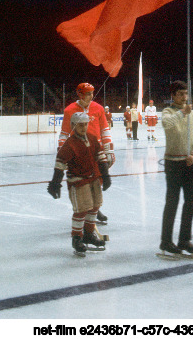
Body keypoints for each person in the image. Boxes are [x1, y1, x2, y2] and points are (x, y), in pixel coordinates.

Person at [47, 112, 111, 256]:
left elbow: (101, 157)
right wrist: (55, 183)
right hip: (78, 181)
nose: (83, 127)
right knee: (81, 210)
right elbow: (60, 163)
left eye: (85, 124)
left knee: (95, 206)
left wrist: (106, 176)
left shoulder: (93, 139)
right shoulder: (70, 144)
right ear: (74, 126)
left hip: (93, 179)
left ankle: (88, 234)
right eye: (80, 125)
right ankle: (77, 238)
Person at [159, 80, 193, 259]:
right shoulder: (168, 112)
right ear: (173, 96)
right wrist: (181, 113)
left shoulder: (192, 115)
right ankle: (166, 240)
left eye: (186, 94)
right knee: (172, 202)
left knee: (190, 203)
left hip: (189, 163)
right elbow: (167, 125)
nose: (184, 97)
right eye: (180, 94)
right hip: (173, 163)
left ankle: (184, 239)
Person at [59, 83, 114, 225]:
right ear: (80, 95)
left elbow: (105, 130)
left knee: (97, 180)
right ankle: (85, 209)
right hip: (78, 152)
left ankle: (95, 209)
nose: (91, 96)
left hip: (96, 151)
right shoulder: (69, 110)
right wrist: (62, 154)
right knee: (83, 182)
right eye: (88, 93)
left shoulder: (98, 108)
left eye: (92, 93)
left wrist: (109, 150)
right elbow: (64, 133)